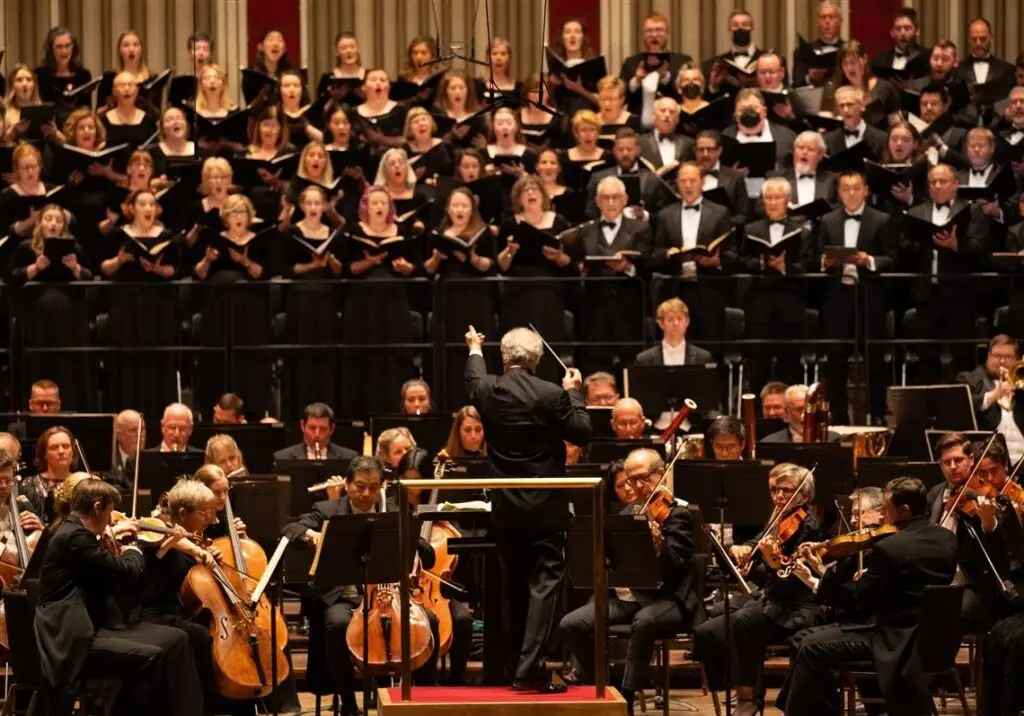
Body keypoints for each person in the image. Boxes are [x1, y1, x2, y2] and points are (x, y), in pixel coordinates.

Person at [464, 325, 592, 691]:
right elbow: (582, 432)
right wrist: (575, 393)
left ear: (505, 359)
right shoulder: (552, 393)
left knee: (513, 589)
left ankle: (514, 667)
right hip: (545, 509)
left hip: (505, 508)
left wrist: (475, 346)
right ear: (537, 361)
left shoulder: (487, 389)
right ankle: (530, 670)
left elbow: (473, 372)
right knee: (544, 587)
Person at [776, 477, 958, 716]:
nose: (884, 515)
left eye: (886, 508)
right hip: (933, 639)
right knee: (805, 640)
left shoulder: (891, 547)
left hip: (894, 640)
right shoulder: (947, 539)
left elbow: (857, 599)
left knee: (810, 647)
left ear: (903, 511)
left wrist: (825, 576)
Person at [282, 456, 438, 715]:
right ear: (347, 484)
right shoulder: (328, 509)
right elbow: (290, 528)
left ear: (382, 486)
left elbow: (429, 557)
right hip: (345, 596)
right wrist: (312, 535)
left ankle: (423, 697)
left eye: (374, 487)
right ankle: (348, 702)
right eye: (360, 486)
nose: (367, 493)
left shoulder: (394, 509)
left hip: (389, 595)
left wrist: (411, 535)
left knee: (430, 621)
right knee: (338, 624)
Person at [34, 478, 204, 716]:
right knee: (153, 657)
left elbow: (117, 580)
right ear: (96, 508)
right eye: (109, 512)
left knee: (177, 639)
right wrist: (133, 546)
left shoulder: (79, 535)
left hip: (97, 621)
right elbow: (126, 570)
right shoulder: (76, 538)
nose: (110, 520)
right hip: (73, 637)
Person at [559, 448, 704, 715]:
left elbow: (679, 567)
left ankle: (625, 696)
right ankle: (604, 684)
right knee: (571, 624)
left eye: (644, 478)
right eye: (632, 479)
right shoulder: (629, 512)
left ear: (661, 474)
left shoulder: (677, 514)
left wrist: (660, 547)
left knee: (644, 621)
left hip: (668, 598)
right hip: (629, 597)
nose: (637, 485)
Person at [693, 463, 821, 716]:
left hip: (795, 607)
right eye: (774, 490)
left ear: (804, 495)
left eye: (785, 490)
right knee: (707, 631)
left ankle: (747, 697)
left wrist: (753, 570)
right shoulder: (779, 516)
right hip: (772, 601)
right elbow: (760, 540)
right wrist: (742, 548)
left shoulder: (809, 527)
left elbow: (788, 582)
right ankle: (731, 688)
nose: (778, 496)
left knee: (743, 622)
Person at [817, 169, 894, 424]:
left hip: (869, 297)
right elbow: (816, 256)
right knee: (836, 359)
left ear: (866, 190)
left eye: (856, 188)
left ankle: (878, 413)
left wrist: (868, 260)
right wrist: (824, 262)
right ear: (838, 192)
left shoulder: (882, 220)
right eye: (846, 188)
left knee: (874, 357)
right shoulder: (828, 221)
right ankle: (838, 415)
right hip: (838, 298)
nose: (851, 193)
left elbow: (893, 258)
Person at [928, 432, 1010, 634]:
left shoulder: (986, 496)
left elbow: (1001, 555)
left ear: (971, 459)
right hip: (935, 579)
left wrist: (989, 523)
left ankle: (942, 663)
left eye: (958, 460)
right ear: (940, 465)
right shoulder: (935, 494)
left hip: (971, 585)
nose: (953, 466)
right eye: (947, 462)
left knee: (948, 613)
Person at [956, 335, 1024, 462]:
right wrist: (994, 395)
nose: (1002, 361)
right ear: (988, 356)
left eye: (1008, 357)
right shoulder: (968, 379)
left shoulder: (1021, 381)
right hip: (987, 458)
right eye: (997, 356)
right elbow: (960, 410)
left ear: (1017, 360)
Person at [619, 12, 690, 127]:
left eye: (659, 30)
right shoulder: (631, 62)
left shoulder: (681, 62)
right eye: (649, 31)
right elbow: (620, 97)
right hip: (638, 128)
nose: (654, 35)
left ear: (667, 34)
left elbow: (687, 98)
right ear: (643, 35)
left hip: (673, 127)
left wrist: (665, 77)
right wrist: (636, 81)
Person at [633, 298, 715, 367]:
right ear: (661, 323)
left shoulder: (703, 359)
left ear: (687, 322)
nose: (676, 323)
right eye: (670, 319)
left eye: (679, 318)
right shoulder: (644, 360)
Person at [273, 402, 358, 461]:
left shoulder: (349, 458)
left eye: (323, 429)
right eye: (312, 428)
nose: (317, 435)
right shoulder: (282, 458)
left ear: (332, 429)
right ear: (302, 426)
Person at [791, 0, 844, 88]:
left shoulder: (847, 50)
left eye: (831, 17)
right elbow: (796, 84)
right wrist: (809, 77)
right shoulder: (803, 51)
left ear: (840, 22)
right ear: (817, 23)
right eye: (823, 17)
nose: (827, 21)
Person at [105, 409, 144, 488]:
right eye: (133, 430)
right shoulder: (107, 462)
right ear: (118, 435)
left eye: (142, 429)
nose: (139, 435)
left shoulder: (151, 461)